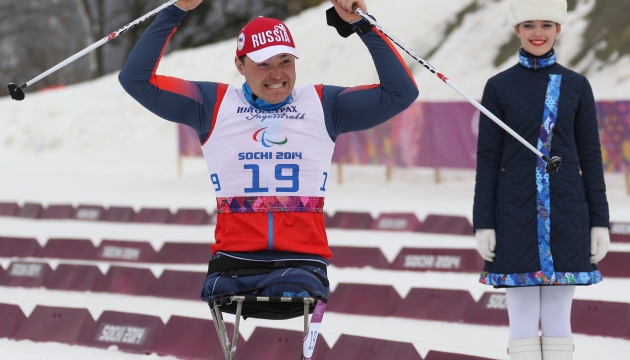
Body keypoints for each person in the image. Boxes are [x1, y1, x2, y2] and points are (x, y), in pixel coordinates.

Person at [119, 0, 418, 302]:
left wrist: (362, 24)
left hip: (303, 261)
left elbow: (401, 92)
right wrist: (176, 9)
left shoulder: (323, 104)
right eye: (263, 64)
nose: (277, 74)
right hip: (235, 261)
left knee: (292, 294)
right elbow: (135, 80)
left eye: (285, 61)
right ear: (240, 65)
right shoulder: (213, 104)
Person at [472, 0, 610, 359]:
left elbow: (590, 158)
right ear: (517, 30)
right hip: (513, 214)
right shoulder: (498, 86)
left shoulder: (576, 85)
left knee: (557, 317)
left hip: (567, 213)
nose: (538, 33)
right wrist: (483, 222)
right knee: (520, 317)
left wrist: (599, 222)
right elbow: (488, 159)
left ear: (558, 30)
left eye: (546, 25)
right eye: (529, 25)